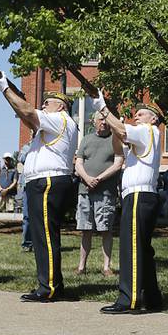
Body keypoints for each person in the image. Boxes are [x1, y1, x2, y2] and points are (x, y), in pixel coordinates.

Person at [0, 72, 78, 302]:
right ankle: (52, 283)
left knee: (44, 237)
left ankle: (48, 286)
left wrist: (4, 89)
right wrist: (8, 93)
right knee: (44, 236)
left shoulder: (59, 119)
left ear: (60, 106)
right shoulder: (58, 123)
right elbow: (27, 116)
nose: (42, 106)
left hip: (47, 181)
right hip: (46, 181)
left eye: (46, 103)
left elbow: (29, 112)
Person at [92, 94, 164, 314]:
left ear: (153, 119)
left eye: (141, 114)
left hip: (138, 195)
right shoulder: (143, 135)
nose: (136, 116)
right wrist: (115, 125)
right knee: (142, 248)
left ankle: (129, 298)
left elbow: (123, 132)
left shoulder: (146, 131)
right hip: (139, 196)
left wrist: (105, 111)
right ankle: (152, 297)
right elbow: (118, 146)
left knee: (131, 248)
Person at [74, 112, 124, 276]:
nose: (104, 122)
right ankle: (81, 267)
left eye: (106, 119)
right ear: (93, 122)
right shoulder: (86, 139)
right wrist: (87, 179)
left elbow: (118, 164)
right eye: (100, 119)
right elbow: (78, 163)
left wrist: (98, 179)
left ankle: (106, 267)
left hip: (105, 193)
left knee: (105, 230)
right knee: (85, 230)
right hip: (85, 191)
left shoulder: (115, 139)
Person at [16, 141, 33, 252]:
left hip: (42, 184)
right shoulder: (27, 147)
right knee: (27, 216)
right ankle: (26, 243)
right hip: (28, 185)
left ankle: (38, 244)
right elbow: (21, 158)